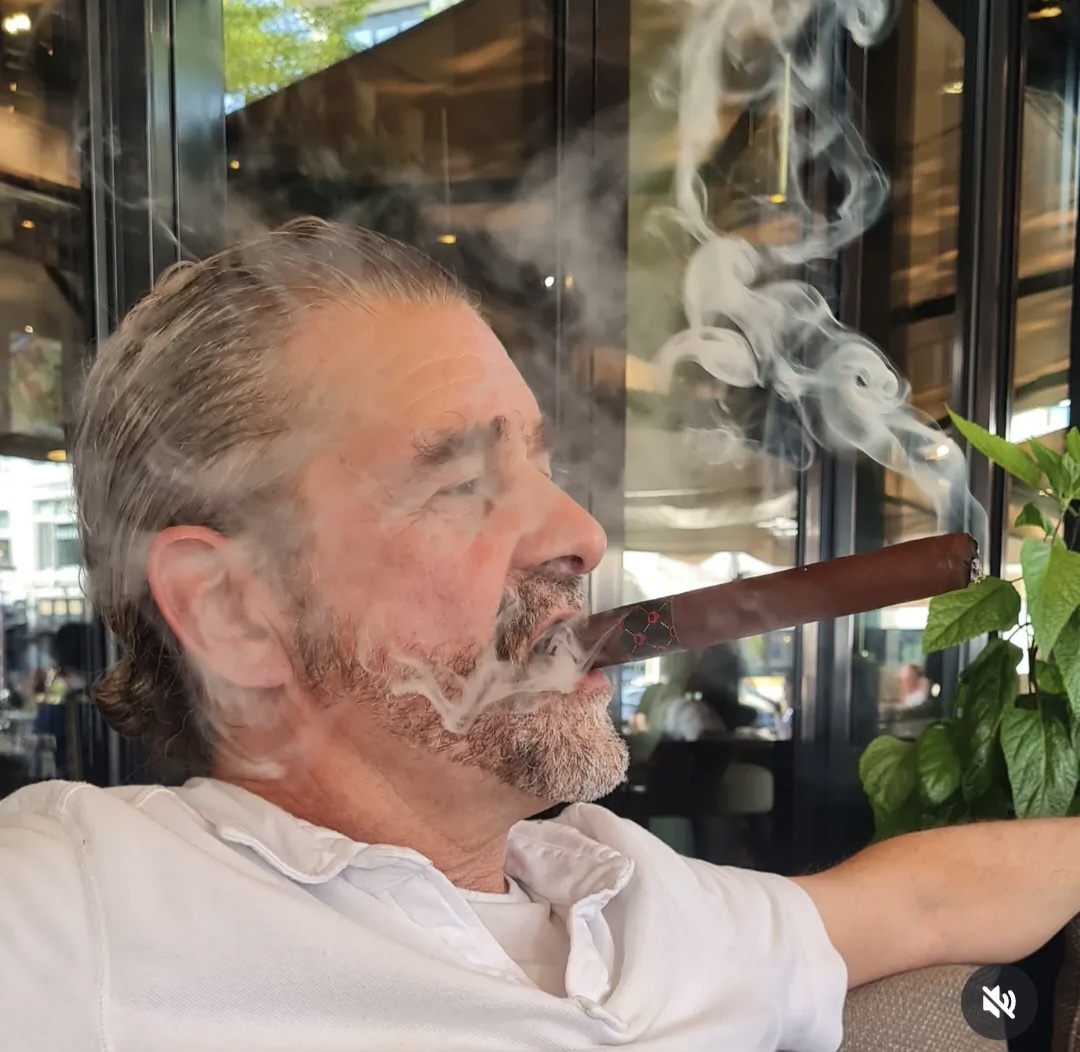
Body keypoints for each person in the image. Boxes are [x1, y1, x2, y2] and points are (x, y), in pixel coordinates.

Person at [0, 219, 1075, 1052]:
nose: (580, 533)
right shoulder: (88, 907)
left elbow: (926, 902)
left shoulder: (634, 899)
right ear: (235, 610)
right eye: (462, 483)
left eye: (539, 463)